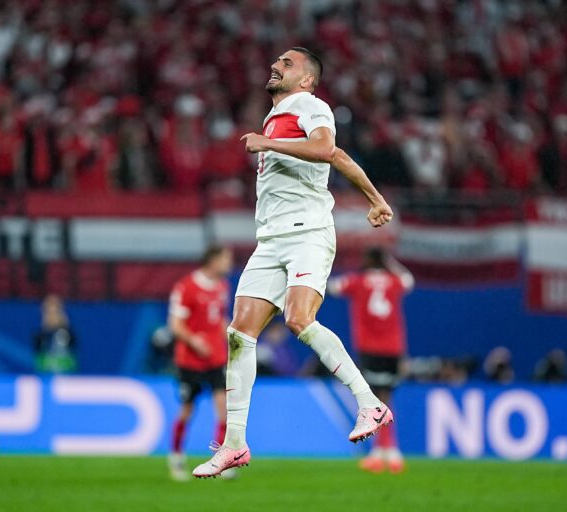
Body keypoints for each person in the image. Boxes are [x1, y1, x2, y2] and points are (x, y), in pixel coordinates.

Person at [193, 47, 395, 478]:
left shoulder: (310, 105)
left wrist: (266, 142)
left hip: (307, 232)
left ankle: (369, 404)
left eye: (287, 63)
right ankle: (234, 444)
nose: (276, 65)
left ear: (306, 80)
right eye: (277, 61)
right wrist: (376, 199)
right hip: (269, 241)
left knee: (299, 320)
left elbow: (325, 147)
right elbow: (337, 157)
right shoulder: (279, 116)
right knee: (238, 334)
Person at [327, 246, 414, 473]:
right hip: (393, 348)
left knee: (373, 400)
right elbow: (409, 280)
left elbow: (333, 287)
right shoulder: (394, 280)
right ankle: (391, 452)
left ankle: (380, 452)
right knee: (386, 398)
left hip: (369, 348)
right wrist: (391, 261)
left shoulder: (358, 281)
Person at [168, 245, 234, 481]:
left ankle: (221, 461)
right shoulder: (186, 287)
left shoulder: (223, 287)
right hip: (190, 360)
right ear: (213, 260)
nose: (229, 264)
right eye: (226, 259)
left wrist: (232, 335)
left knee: (223, 408)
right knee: (187, 410)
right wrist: (194, 341)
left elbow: (219, 319)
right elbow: (175, 324)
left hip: (215, 358)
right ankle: (176, 458)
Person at [33, 295, 77, 373]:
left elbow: (74, 359)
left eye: (55, 312)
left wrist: (65, 327)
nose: (52, 316)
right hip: (46, 378)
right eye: (48, 312)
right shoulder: (40, 335)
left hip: (66, 377)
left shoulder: (68, 333)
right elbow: (38, 361)